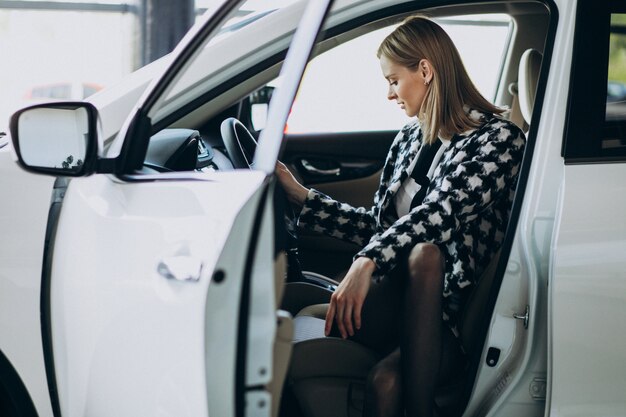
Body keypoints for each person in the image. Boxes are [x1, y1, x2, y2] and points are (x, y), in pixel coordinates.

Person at [276, 15, 526, 417]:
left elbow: (442, 212)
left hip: (447, 319)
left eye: (393, 81)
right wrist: (303, 197)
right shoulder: (410, 138)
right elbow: (379, 227)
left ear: (424, 70)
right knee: (419, 254)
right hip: (390, 304)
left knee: (386, 381)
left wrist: (365, 262)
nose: (390, 94)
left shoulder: (499, 141)